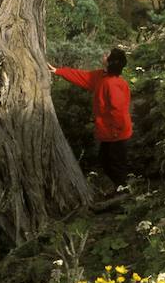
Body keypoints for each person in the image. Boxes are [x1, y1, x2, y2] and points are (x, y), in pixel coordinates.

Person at [48, 48, 132, 189]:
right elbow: (83, 77)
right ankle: (122, 191)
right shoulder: (101, 76)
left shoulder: (113, 84)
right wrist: (58, 71)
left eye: (107, 55)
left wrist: (116, 131)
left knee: (115, 165)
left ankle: (124, 193)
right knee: (106, 162)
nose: (103, 54)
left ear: (111, 62)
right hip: (109, 133)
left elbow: (119, 111)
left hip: (117, 134)